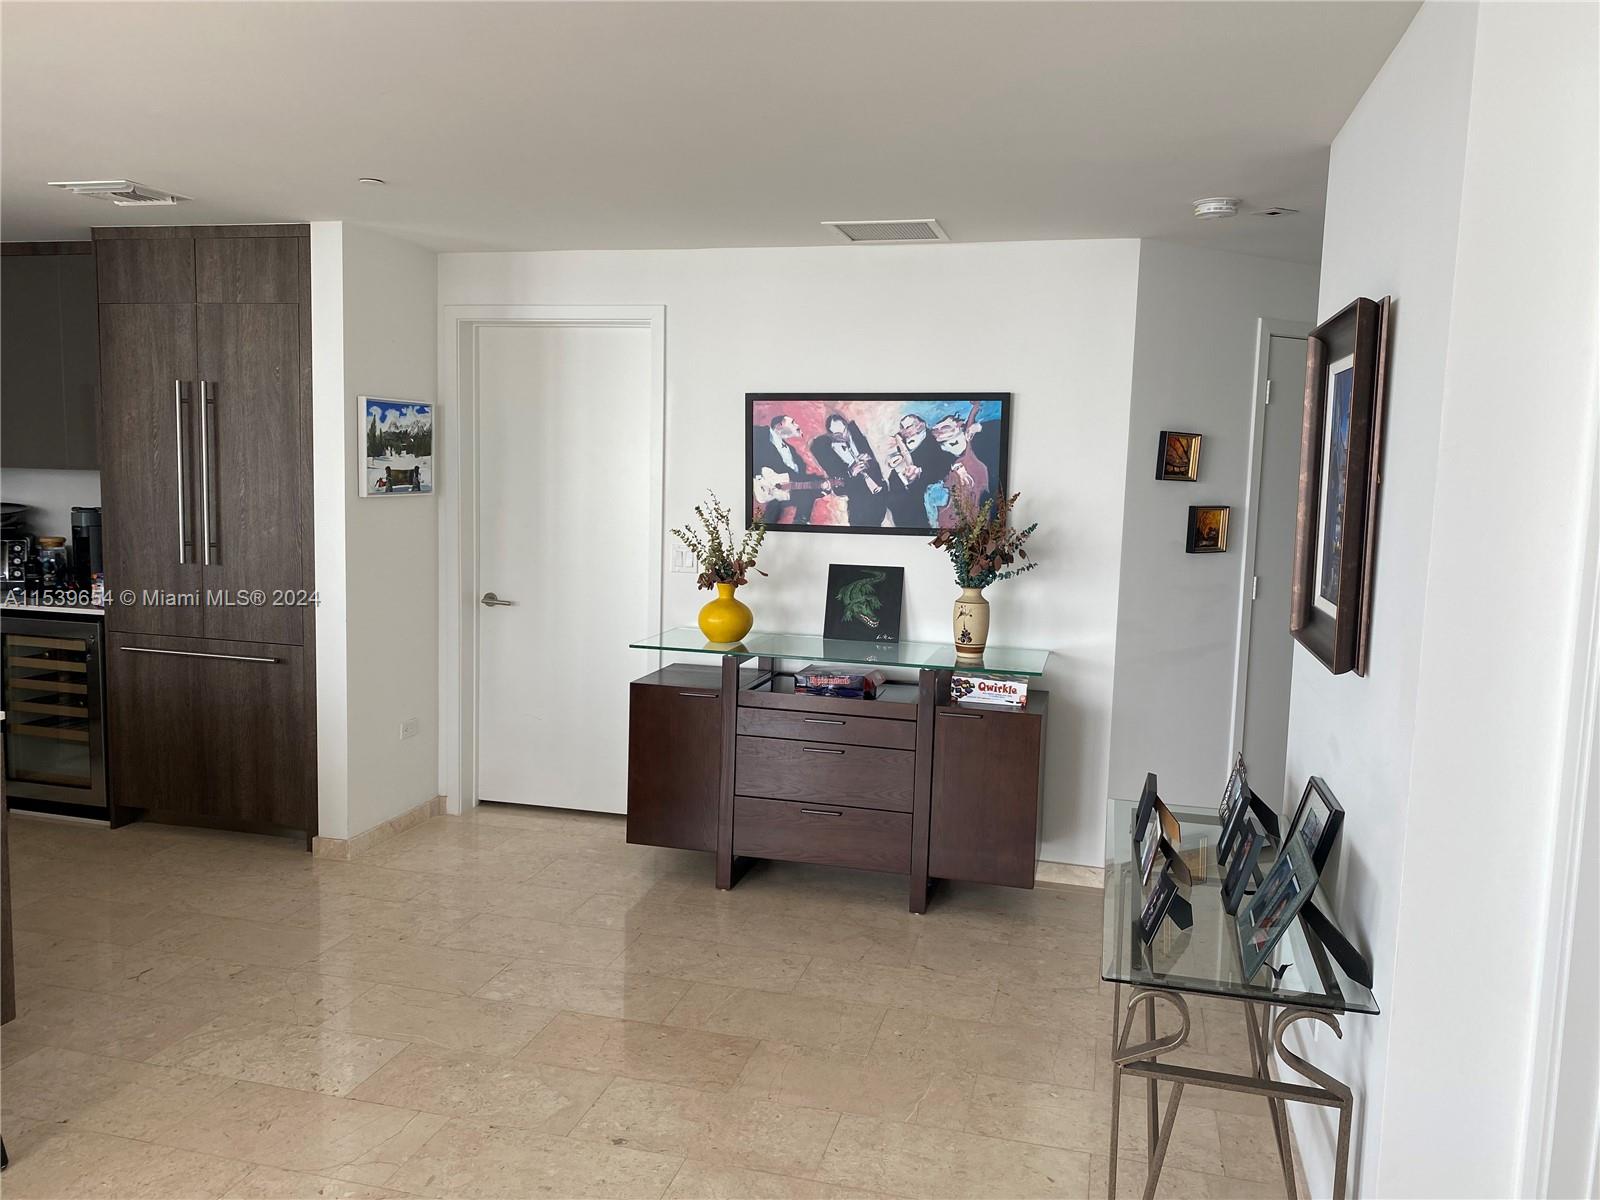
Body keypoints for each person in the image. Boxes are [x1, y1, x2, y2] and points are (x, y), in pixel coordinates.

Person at [810, 412, 888, 528]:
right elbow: (838, 484)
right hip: (857, 499)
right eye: (837, 434)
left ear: (846, 425)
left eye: (844, 431)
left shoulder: (856, 435)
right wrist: (851, 472)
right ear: (831, 435)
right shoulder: (826, 449)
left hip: (876, 493)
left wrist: (869, 460)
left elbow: (875, 466)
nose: (843, 436)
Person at [752, 414, 828, 524]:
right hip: (763, 484)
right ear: (779, 426)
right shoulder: (760, 433)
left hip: (786, 490)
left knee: (808, 490)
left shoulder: (791, 450)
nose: (797, 425)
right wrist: (758, 476)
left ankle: (800, 522)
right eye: (793, 422)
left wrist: (819, 482)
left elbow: (799, 478)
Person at [884, 413, 945, 529]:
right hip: (903, 501)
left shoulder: (933, 442)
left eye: (908, 427)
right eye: (902, 428)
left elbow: (940, 467)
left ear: (920, 426)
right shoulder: (901, 444)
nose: (904, 431)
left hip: (924, 494)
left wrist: (919, 472)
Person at [930, 411, 990, 525]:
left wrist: (979, 427)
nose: (941, 432)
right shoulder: (943, 456)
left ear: (959, 426)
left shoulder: (978, 444)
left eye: (946, 427)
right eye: (936, 431)